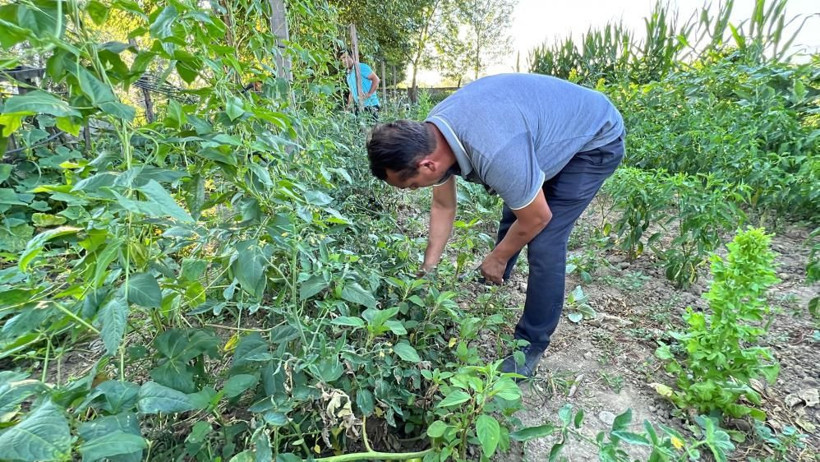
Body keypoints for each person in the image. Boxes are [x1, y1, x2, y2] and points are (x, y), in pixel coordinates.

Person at [366, 73, 625, 379]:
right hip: (538, 130)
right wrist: (428, 268)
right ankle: (496, 277)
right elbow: (443, 205)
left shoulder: (495, 152)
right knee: (518, 203)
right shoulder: (432, 136)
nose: (413, 190)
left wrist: (498, 256)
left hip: (594, 139)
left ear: (427, 165)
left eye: (410, 186)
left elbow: (537, 217)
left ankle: (530, 345)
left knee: (545, 240)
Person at [339, 50, 381, 119]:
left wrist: (369, 94)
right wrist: (348, 109)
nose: (344, 61)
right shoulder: (348, 75)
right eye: (342, 59)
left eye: (346, 57)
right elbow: (351, 93)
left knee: (373, 126)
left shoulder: (360, 67)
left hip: (371, 105)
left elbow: (376, 79)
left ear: (352, 57)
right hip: (360, 106)